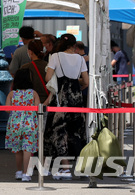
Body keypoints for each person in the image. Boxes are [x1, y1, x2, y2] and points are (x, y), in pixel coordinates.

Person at [44, 34, 88, 181]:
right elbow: (86, 81)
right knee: (76, 131)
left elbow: (47, 78)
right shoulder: (80, 58)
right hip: (76, 98)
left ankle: (65, 167)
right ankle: (82, 167)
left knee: (59, 131)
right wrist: (75, 82)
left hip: (61, 99)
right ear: (74, 45)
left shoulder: (55, 56)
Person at [5, 69, 40, 182]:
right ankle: (26, 173)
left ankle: (19, 171)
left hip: (15, 123)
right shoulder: (33, 93)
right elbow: (38, 108)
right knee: (27, 149)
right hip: (30, 123)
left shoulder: (12, 94)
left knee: (18, 149)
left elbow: (7, 109)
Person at [20, 40, 51, 106]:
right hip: (48, 102)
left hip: (31, 102)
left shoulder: (25, 67)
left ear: (30, 52)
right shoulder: (49, 66)